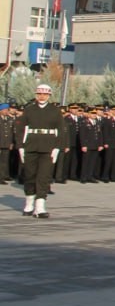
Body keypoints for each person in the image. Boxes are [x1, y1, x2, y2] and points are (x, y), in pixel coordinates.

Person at [16, 83, 65, 219]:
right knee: (29, 175)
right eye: (39, 94)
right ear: (36, 95)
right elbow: (20, 130)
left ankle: (40, 206)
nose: (42, 96)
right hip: (31, 145)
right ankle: (29, 203)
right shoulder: (29, 110)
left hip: (48, 146)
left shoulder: (55, 111)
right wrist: (20, 146)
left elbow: (61, 130)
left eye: (45, 94)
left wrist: (57, 147)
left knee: (44, 176)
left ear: (49, 95)